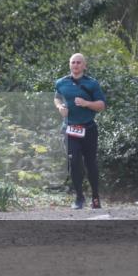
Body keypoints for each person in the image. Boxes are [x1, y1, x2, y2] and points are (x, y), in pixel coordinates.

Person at [54, 53, 106, 209]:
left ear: (84, 66)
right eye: (73, 62)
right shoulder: (61, 82)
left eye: (78, 63)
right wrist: (60, 107)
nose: (75, 65)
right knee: (74, 161)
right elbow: (57, 97)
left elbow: (101, 105)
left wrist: (85, 103)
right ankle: (79, 197)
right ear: (69, 65)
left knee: (90, 164)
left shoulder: (92, 84)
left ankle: (95, 197)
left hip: (88, 128)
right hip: (70, 129)